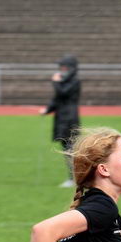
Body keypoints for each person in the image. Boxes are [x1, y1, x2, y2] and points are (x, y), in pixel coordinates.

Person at [40, 54, 81, 188]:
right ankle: (73, 178)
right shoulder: (64, 81)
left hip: (69, 118)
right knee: (66, 148)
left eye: (63, 67)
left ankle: (75, 178)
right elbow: (57, 99)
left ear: (70, 68)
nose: (61, 69)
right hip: (61, 118)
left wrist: (56, 82)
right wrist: (47, 110)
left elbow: (63, 93)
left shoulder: (74, 81)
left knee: (71, 149)